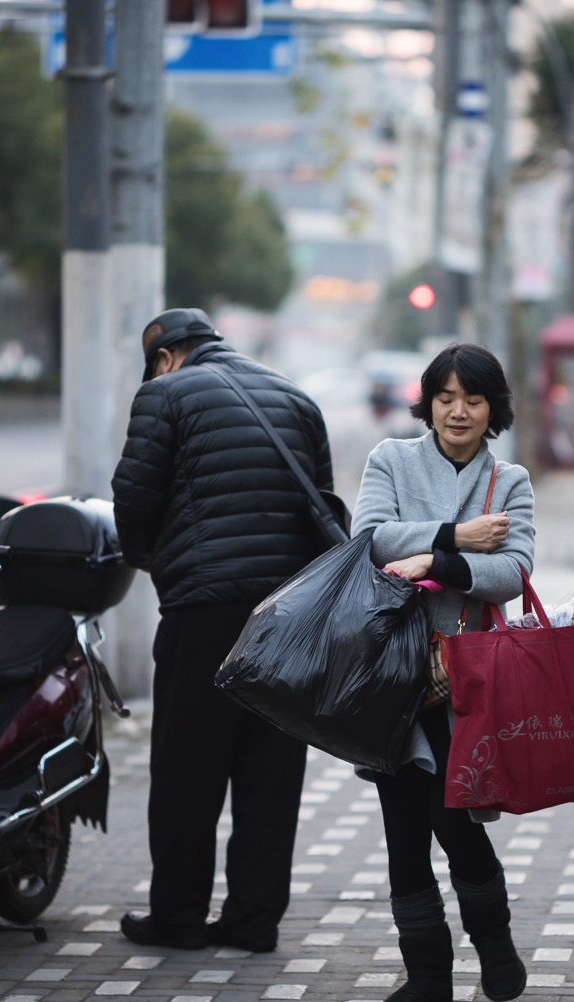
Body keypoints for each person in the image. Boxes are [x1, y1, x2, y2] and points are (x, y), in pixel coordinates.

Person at [111, 307, 334, 954]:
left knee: (187, 768)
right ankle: (253, 920)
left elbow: (134, 496)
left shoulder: (164, 395)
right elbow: (319, 498)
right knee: (270, 770)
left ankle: (178, 918)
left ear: (164, 357)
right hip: (285, 614)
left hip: (203, 610)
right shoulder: (295, 396)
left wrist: (151, 559)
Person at [352, 341, 535, 1002]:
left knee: (452, 818)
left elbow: (515, 571)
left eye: (474, 398)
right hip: (392, 673)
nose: (458, 411)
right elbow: (369, 539)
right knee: (404, 831)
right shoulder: (391, 459)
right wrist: (457, 539)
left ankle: (494, 938)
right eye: (446, 396)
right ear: (428, 401)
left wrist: (434, 561)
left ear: (494, 409)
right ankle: (427, 976)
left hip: (468, 680)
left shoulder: (509, 480)